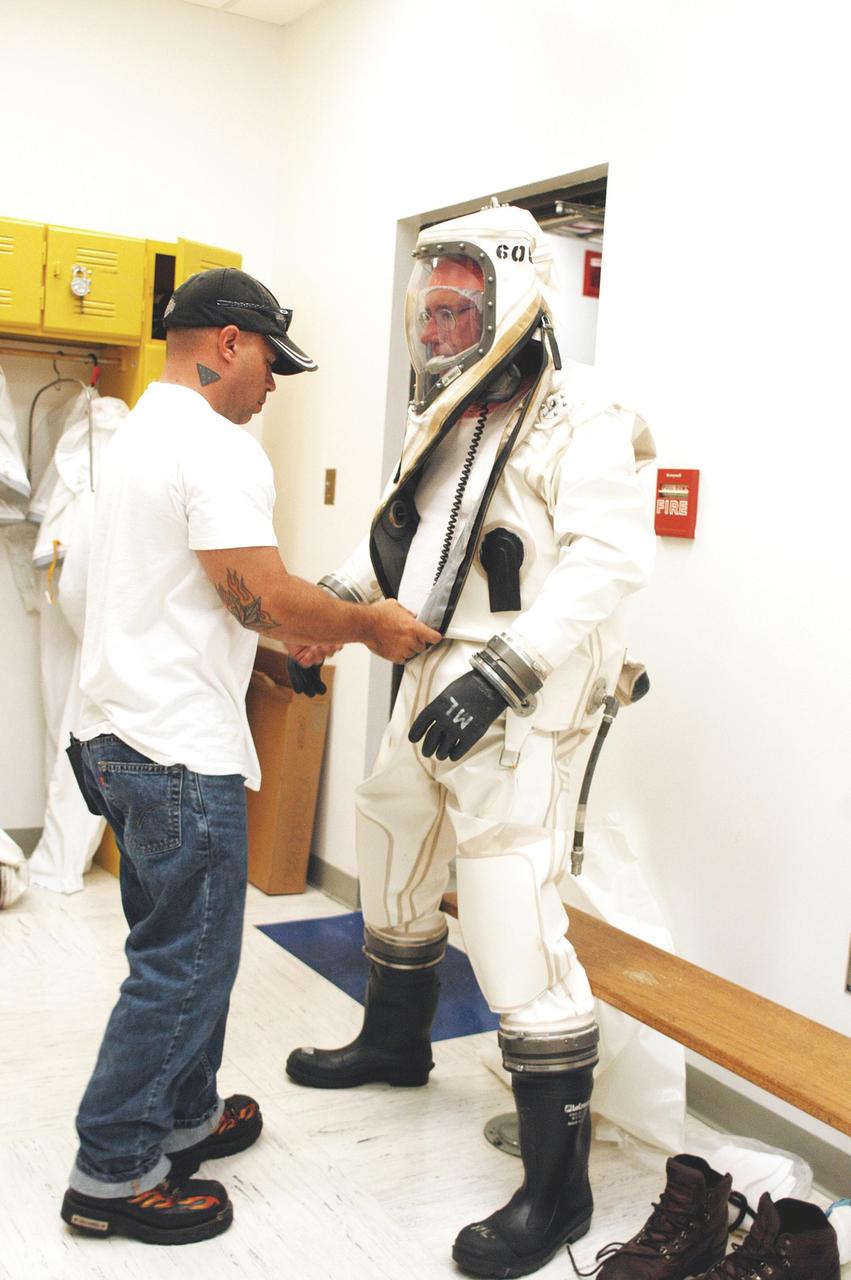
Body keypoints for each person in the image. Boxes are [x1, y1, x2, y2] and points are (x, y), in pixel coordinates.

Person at [285, 205, 657, 1278]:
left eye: (457, 309)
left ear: (509, 301)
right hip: (430, 665)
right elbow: (401, 544)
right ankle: (395, 1039)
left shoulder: (583, 409)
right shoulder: (448, 412)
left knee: (506, 905)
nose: (437, 328)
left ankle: (557, 1189)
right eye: (429, 309)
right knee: (390, 835)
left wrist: (508, 669)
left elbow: (607, 560)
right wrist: (328, 612)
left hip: (524, 686)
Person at [60, 266, 439, 1246]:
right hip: (175, 751)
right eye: (272, 361)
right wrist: (367, 624)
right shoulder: (214, 443)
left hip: (115, 736)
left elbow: (170, 593)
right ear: (228, 342)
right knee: (184, 963)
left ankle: (185, 1114)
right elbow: (261, 591)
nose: (274, 384)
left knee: (177, 947)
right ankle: (111, 1172)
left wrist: (274, 647)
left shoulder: (136, 433)